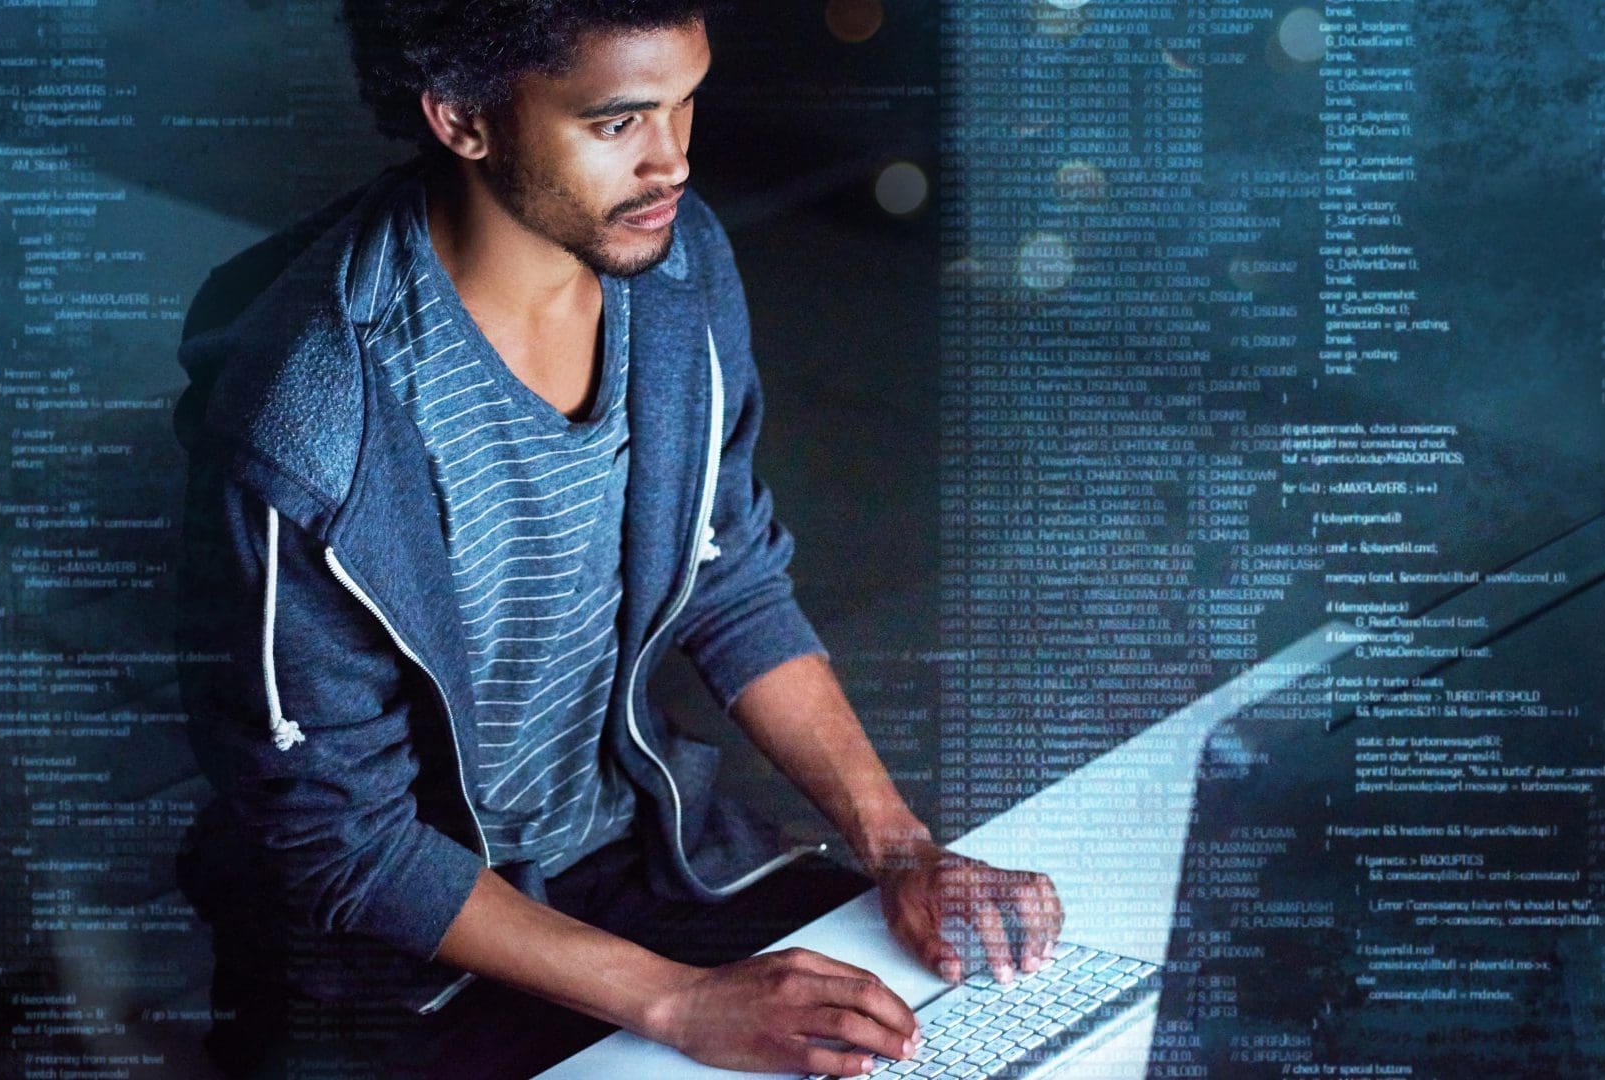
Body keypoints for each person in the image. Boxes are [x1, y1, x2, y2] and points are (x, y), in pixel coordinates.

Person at [170, 2, 1064, 1077]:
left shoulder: (675, 269)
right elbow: (341, 843)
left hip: (649, 860)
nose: (672, 160)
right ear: (463, 119)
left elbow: (730, 580)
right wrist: (680, 1005)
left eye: (686, 104)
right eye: (617, 122)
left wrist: (905, 851)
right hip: (395, 966)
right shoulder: (311, 418)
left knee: (956, 1029)